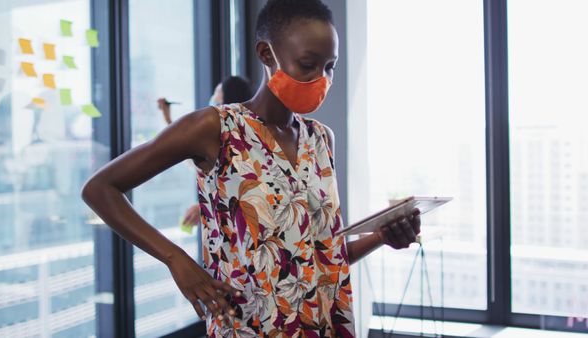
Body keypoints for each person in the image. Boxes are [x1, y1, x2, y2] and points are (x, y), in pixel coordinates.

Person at [81, 0, 420, 336]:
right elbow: (100, 189)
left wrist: (381, 237)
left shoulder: (320, 140)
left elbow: (319, 257)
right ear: (266, 54)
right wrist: (175, 258)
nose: (321, 79)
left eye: (329, 66)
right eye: (308, 64)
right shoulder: (215, 127)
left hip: (323, 326)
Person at [157, 76, 254, 229]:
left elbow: (239, 190)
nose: (213, 97)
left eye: (217, 91)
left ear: (226, 99)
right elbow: (184, 149)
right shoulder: (246, 132)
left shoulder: (225, 139)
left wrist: (204, 208)